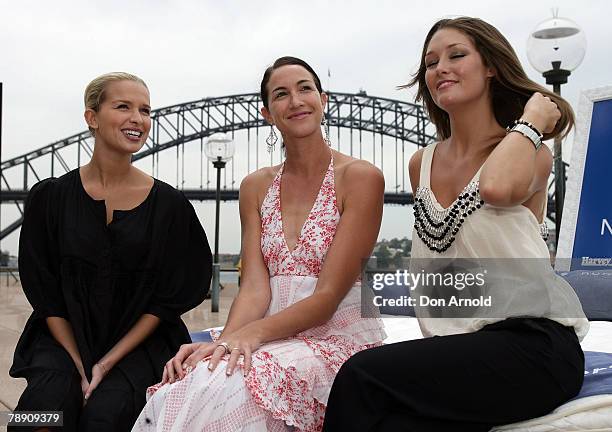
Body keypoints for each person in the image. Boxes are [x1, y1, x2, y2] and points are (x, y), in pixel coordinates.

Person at [323, 17, 589, 431]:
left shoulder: (528, 151)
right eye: (430, 63)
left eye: (456, 55)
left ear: (491, 67)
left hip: (535, 346)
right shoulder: (421, 165)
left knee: (361, 376)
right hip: (470, 348)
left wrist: (533, 119)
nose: (440, 68)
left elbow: (497, 187)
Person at [133, 56, 387, 431]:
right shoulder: (255, 186)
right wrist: (228, 341)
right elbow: (254, 285)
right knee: (195, 377)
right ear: (268, 113)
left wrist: (245, 337)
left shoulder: (361, 178)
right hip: (269, 330)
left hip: (334, 335)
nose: (296, 101)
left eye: (305, 89)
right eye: (281, 94)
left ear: (324, 99)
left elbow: (327, 297)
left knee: (235, 385)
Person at [9, 72, 212, 431]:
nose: (138, 118)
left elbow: (165, 301)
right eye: (123, 107)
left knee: (105, 416)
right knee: (39, 413)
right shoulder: (50, 198)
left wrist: (104, 364)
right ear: (92, 117)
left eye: (145, 110)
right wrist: (76, 362)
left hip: (140, 344)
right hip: (64, 337)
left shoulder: (170, 207)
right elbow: (46, 293)